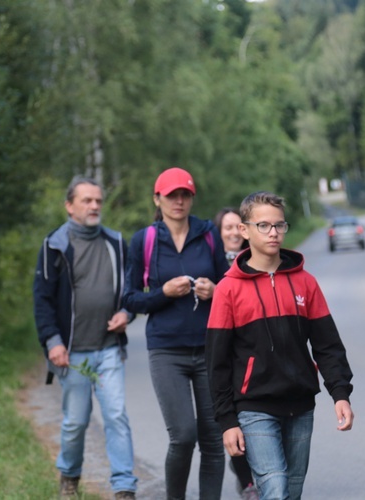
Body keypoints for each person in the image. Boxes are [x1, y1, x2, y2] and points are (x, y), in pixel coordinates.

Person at [206, 191, 354, 500]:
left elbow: (327, 345)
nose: (274, 232)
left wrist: (340, 394)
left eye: (279, 225)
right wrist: (227, 422)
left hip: (301, 405)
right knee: (274, 487)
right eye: (264, 225)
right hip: (254, 407)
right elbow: (217, 363)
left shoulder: (305, 282)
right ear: (245, 230)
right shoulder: (227, 290)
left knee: (292, 491)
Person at [123, 167, 228, 500]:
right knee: (183, 435)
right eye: (171, 195)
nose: (178, 201)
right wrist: (162, 293)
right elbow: (129, 299)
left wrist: (216, 290)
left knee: (213, 438)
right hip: (167, 351)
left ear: (192, 198)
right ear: (158, 199)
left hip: (210, 347)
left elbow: (231, 286)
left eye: (184, 194)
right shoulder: (145, 240)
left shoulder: (209, 233)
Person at [33, 177, 137, 500]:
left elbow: (131, 291)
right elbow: (42, 299)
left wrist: (128, 314)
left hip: (108, 350)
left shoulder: (117, 242)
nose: (94, 206)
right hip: (73, 355)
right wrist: (53, 342)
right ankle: (70, 477)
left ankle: (123, 487)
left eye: (98, 201)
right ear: (70, 205)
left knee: (116, 415)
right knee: (75, 423)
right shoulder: (55, 245)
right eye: (87, 201)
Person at [213, 207, 257, 500]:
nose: (231, 232)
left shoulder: (254, 261)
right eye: (225, 228)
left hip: (249, 354)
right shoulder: (209, 261)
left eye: (235, 227)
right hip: (219, 351)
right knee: (232, 424)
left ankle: (261, 477)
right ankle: (248, 483)